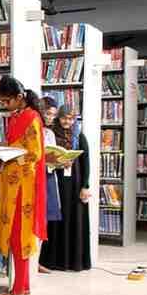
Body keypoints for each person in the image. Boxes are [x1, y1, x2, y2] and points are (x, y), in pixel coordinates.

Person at [0, 76, 47, 295]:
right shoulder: (16, 117)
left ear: (19, 98)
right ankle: (23, 289)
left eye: (6, 101)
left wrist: (9, 153)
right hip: (12, 184)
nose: (5, 106)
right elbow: (18, 146)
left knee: (19, 237)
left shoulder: (31, 117)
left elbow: (35, 153)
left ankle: (18, 293)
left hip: (23, 187)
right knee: (15, 237)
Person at [40, 104, 92, 271]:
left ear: (74, 119)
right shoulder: (50, 135)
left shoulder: (79, 136)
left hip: (75, 185)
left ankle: (74, 261)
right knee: (56, 221)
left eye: (70, 118)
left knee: (75, 220)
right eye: (63, 118)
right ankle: (54, 261)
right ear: (58, 118)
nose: (67, 121)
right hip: (56, 183)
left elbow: (86, 163)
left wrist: (85, 186)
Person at [38, 96, 62, 275]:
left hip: (49, 176)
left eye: (53, 115)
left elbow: (53, 157)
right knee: (36, 219)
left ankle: (37, 260)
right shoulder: (34, 130)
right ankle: (33, 261)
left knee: (44, 220)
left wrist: (62, 161)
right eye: (47, 113)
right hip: (37, 177)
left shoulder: (50, 133)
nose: (50, 118)